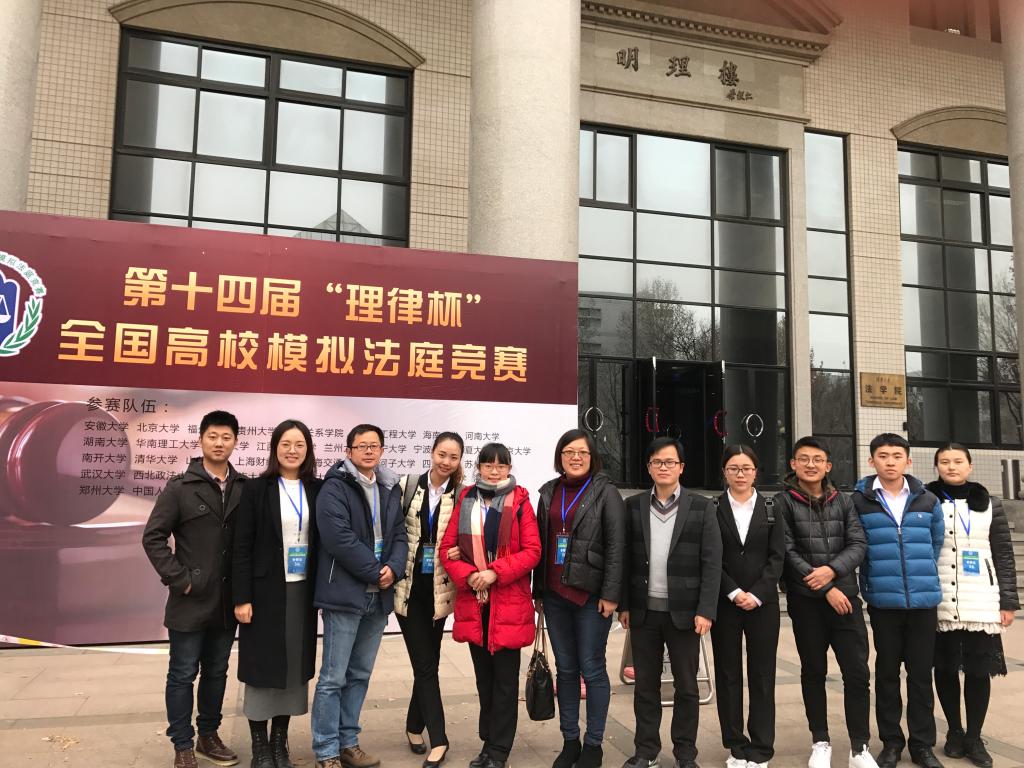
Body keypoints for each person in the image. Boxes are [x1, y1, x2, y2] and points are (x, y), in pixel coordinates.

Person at [142, 410, 247, 768]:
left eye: (226, 437)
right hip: (189, 600)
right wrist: (180, 579)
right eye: (212, 436)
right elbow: (153, 537)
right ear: (201, 439)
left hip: (227, 601)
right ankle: (182, 744)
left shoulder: (243, 487)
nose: (219, 443)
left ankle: (208, 735)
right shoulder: (180, 487)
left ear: (236, 442)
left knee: (217, 671)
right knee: (182, 673)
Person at [619, 436, 722, 768]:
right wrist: (624, 605)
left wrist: (706, 610)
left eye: (670, 462)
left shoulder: (702, 507)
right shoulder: (634, 506)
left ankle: (685, 754)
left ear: (681, 467)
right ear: (649, 467)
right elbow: (625, 559)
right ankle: (646, 751)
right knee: (645, 686)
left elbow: (712, 563)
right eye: (657, 462)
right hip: (644, 612)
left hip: (686, 614)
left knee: (687, 687)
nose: (663, 467)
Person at [774, 436, 876, 768]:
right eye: (803, 459)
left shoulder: (844, 501)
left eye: (817, 459)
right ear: (793, 464)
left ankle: (859, 747)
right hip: (807, 602)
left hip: (845, 599)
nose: (811, 465)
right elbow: (786, 550)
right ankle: (820, 741)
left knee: (857, 673)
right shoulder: (783, 502)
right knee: (814, 671)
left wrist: (832, 572)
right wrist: (824, 587)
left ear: (828, 465)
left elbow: (858, 543)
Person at [311, 424, 409, 768]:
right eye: (361, 446)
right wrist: (375, 572)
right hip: (345, 593)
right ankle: (326, 750)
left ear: (382, 450)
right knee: (333, 678)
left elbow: (399, 534)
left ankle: (348, 742)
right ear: (348, 451)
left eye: (374, 445)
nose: (368, 451)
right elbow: (338, 538)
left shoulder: (389, 486)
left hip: (378, 597)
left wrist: (393, 569)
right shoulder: (335, 487)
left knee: (360, 674)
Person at [439, 443, 540, 768]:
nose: (494, 471)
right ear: (479, 467)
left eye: (501, 465)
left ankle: (499, 751)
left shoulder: (520, 502)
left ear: (509, 468)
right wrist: (470, 575)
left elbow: (532, 551)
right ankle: (488, 743)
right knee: (484, 681)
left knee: (505, 684)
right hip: (476, 604)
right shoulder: (467, 499)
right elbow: (447, 548)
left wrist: (494, 573)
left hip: (508, 605)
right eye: (488, 465)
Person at [534, 429, 626, 768]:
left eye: (582, 452)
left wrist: (612, 595)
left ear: (592, 458)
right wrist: (538, 592)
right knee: (566, 669)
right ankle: (570, 740)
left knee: (592, 668)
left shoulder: (606, 493)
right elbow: (541, 545)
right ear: (560, 456)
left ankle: (594, 745)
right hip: (554, 595)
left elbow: (617, 546)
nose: (575, 457)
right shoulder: (548, 492)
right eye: (569, 452)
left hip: (590, 596)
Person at [232, 420, 321, 768]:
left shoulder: (317, 489)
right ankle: (259, 745)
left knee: (292, 668)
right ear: (274, 448)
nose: (292, 451)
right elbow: (242, 546)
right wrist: (242, 597)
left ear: (308, 450)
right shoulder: (256, 489)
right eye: (286, 444)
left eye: (299, 444)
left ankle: (279, 741)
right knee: (261, 666)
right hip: (264, 591)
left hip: (302, 590)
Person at [852, 433, 944, 768]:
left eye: (896, 456)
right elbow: (857, 544)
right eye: (882, 455)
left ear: (908, 460)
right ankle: (891, 742)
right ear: (871, 460)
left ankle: (922, 745)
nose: (890, 462)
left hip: (923, 602)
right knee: (887, 674)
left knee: (920, 675)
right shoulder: (860, 501)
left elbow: (934, 544)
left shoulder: (927, 500)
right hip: (883, 601)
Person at [926, 444, 1018, 768]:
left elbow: (1003, 553)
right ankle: (954, 731)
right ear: (936, 466)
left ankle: (974, 737)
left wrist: (1008, 601)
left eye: (958, 461)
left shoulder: (990, 503)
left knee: (979, 670)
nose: (951, 467)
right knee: (946, 668)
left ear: (970, 465)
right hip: (938, 596)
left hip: (981, 597)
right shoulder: (926, 500)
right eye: (944, 462)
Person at [394, 432, 465, 768]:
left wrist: (461, 550)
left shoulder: (462, 495)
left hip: (439, 593)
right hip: (408, 591)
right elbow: (393, 532)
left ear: (460, 460)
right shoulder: (407, 486)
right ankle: (439, 739)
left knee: (428, 663)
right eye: (441, 454)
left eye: (453, 457)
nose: (446, 462)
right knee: (425, 665)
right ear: (432, 452)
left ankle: (413, 725)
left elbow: (469, 538)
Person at [711, 445, 785, 768]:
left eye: (746, 468)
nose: (740, 474)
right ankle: (735, 745)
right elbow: (710, 556)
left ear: (756, 472)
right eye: (733, 468)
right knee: (728, 673)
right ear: (724, 472)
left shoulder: (771, 507)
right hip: (725, 603)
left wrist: (756, 594)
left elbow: (778, 557)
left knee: (762, 674)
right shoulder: (713, 508)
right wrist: (732, 591)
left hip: (763, 604)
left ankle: (762, 746)